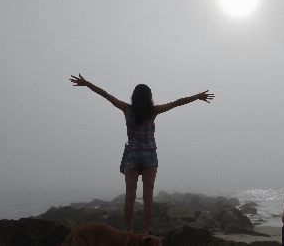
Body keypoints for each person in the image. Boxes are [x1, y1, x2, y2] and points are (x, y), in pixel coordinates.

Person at [69, 74, 215, 234]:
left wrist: (86, 83)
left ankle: (129, 231)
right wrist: (197, 97)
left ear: (134, 97)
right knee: (148, 197)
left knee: (129, 196)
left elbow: (105, 95)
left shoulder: (127, 109)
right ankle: (146, 231)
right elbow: (177, 103)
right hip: (149, 156)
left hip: (131, 156)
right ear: (149, 97)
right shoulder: (153, 111)